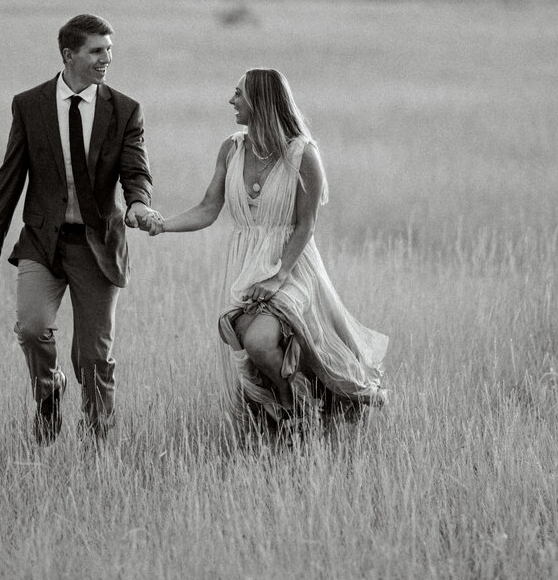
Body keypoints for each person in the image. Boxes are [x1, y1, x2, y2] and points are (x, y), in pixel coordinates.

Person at [142, 69, 387, 432]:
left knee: (259, 341)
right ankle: (289, 419)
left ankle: (295, 406)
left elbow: (306, 225)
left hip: (291, 266)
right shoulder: (232, 148)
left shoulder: (303, 155)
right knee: (247, 342)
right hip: (245, 265)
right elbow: (209, 207)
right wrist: (163, 226)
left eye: (238, 93)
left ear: (261, 101)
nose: (231, 100)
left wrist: (278, 276)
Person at [0, 14, 157, 443]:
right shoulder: (29, 105)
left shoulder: (125, 110)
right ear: (69, 55)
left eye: (109, 48)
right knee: (31, 328)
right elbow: (9, 182)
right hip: (42, 242)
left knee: (93, 359)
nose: (107, 58)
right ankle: (49, 391)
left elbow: (135, 171)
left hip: (98, 246)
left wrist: (139, 204)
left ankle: (96, 448)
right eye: (96, 51)